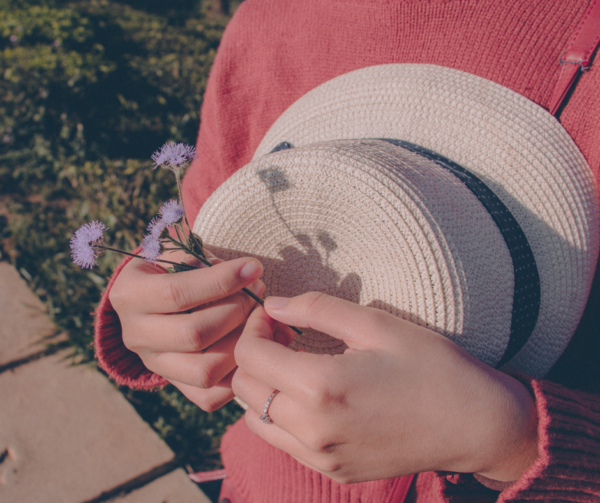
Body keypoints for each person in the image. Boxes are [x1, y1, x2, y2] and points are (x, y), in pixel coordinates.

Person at [95, 0, 600, 501]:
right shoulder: (276, 21)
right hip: (271, 483)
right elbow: (208, 222)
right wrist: (167, 306)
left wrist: (514, 442)